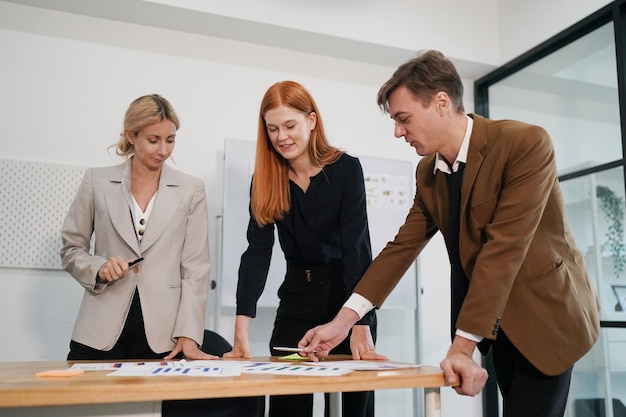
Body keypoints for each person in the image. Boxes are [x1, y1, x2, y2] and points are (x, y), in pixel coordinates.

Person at [298, 50, 601, 417]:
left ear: (441, 102)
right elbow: (400, 249)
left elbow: (503, 250)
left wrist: (461, 347)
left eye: (403, 119)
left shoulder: (525, 144)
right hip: (496, 323)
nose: (397, 132)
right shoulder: (428, 173)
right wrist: (342, 323)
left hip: (548, 314)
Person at [61, 94, 260, 416]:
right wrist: (98, 267)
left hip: (165, 333)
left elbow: (196, 267)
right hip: (100, 328)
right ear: (131, 136)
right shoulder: (97, 181)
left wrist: (189, 332)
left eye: (170, 140)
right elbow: (71, 249)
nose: (163, 150)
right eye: (153, 140)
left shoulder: (190, 188)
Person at [224, 80, 385, 417]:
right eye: (273, 129)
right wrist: (240, 332)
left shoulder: (346, 170)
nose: (282, 136)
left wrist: (360, 324)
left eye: (290, 125)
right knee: (287, 405)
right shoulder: (266, 179)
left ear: (311, 121)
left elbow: (358, 250)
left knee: (352, 407)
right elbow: (257, 252)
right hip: (298, 302)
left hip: (348, 302)